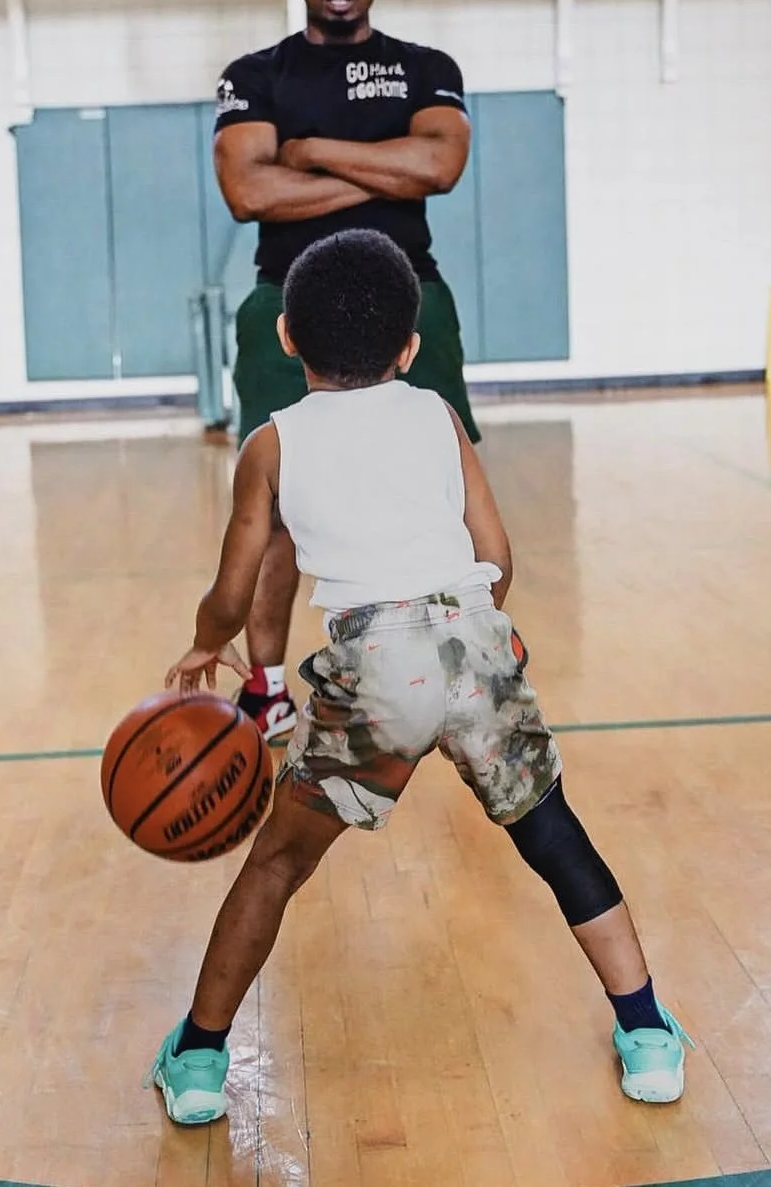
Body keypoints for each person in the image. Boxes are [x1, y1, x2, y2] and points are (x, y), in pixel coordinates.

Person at [153, 229, 694, 1127]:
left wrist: (206, 646)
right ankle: (647, 1032)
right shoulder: (438, 413)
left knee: (279, 862)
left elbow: (234, 585)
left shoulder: (272, 444)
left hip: (374, 664)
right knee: (553, 837)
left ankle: (202, 1060)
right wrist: (483, 641)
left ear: (286, 337)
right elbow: (497, 554)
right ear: (409, 348)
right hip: (473, 633)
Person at [213, 0, 480, 746]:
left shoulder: (424, 66)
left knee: (450, 481)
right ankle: (266, 686)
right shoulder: (257, 76)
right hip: (283, 301)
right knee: (278, 509)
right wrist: (388, 173)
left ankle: (470, 656)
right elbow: (249, 192)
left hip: (410, 299)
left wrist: (315, 151)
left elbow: (440, 163)